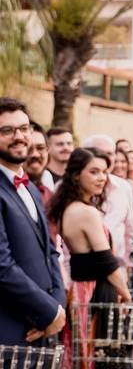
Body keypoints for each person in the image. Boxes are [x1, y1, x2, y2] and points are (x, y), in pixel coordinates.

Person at [48, 147, 131, 369]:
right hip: (96, 293)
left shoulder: (67, 207)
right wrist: (126, 294)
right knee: (100, 361)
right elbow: (107, 262)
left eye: (104, 172)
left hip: (82, 291)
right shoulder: (85, 212)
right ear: (76, 175)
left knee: (86, 358)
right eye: (94, 172)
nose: (101, 178)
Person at [0, 98, 65, 346]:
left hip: (42, 327)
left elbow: (51, 253)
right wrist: (48, 311)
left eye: (24, 128)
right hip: (9, 327)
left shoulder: (32, 189)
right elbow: (2, 265)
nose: (19, 136)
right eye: (7, 130)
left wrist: (56, 306)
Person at [82, 134, 133, 269]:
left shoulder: (123, 187)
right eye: (99, 153)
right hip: (82, 269)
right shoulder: (68, 188)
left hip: (118, 267)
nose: (107, 158)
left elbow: (130, 230)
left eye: (110, 153)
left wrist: (128, 264)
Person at [25, 123, 55, 199]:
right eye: (28, 149)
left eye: (40, 148)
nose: (35, 154)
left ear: (48, 151)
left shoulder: (49, 195)